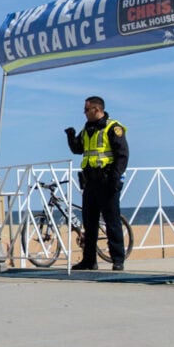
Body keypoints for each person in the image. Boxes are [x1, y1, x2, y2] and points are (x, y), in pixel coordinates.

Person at [65, 95, 130, 271]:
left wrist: (115, 178)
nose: (84, 113)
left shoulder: (112, 127)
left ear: (97, 109)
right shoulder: (87, 129)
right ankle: (89, 260)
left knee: (112, 221)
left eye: (86, 109)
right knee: (89, 222)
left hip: (107, 181)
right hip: (90, 182)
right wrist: (70, 136)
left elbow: (122, 154)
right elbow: (79, 149)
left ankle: (117, 260)